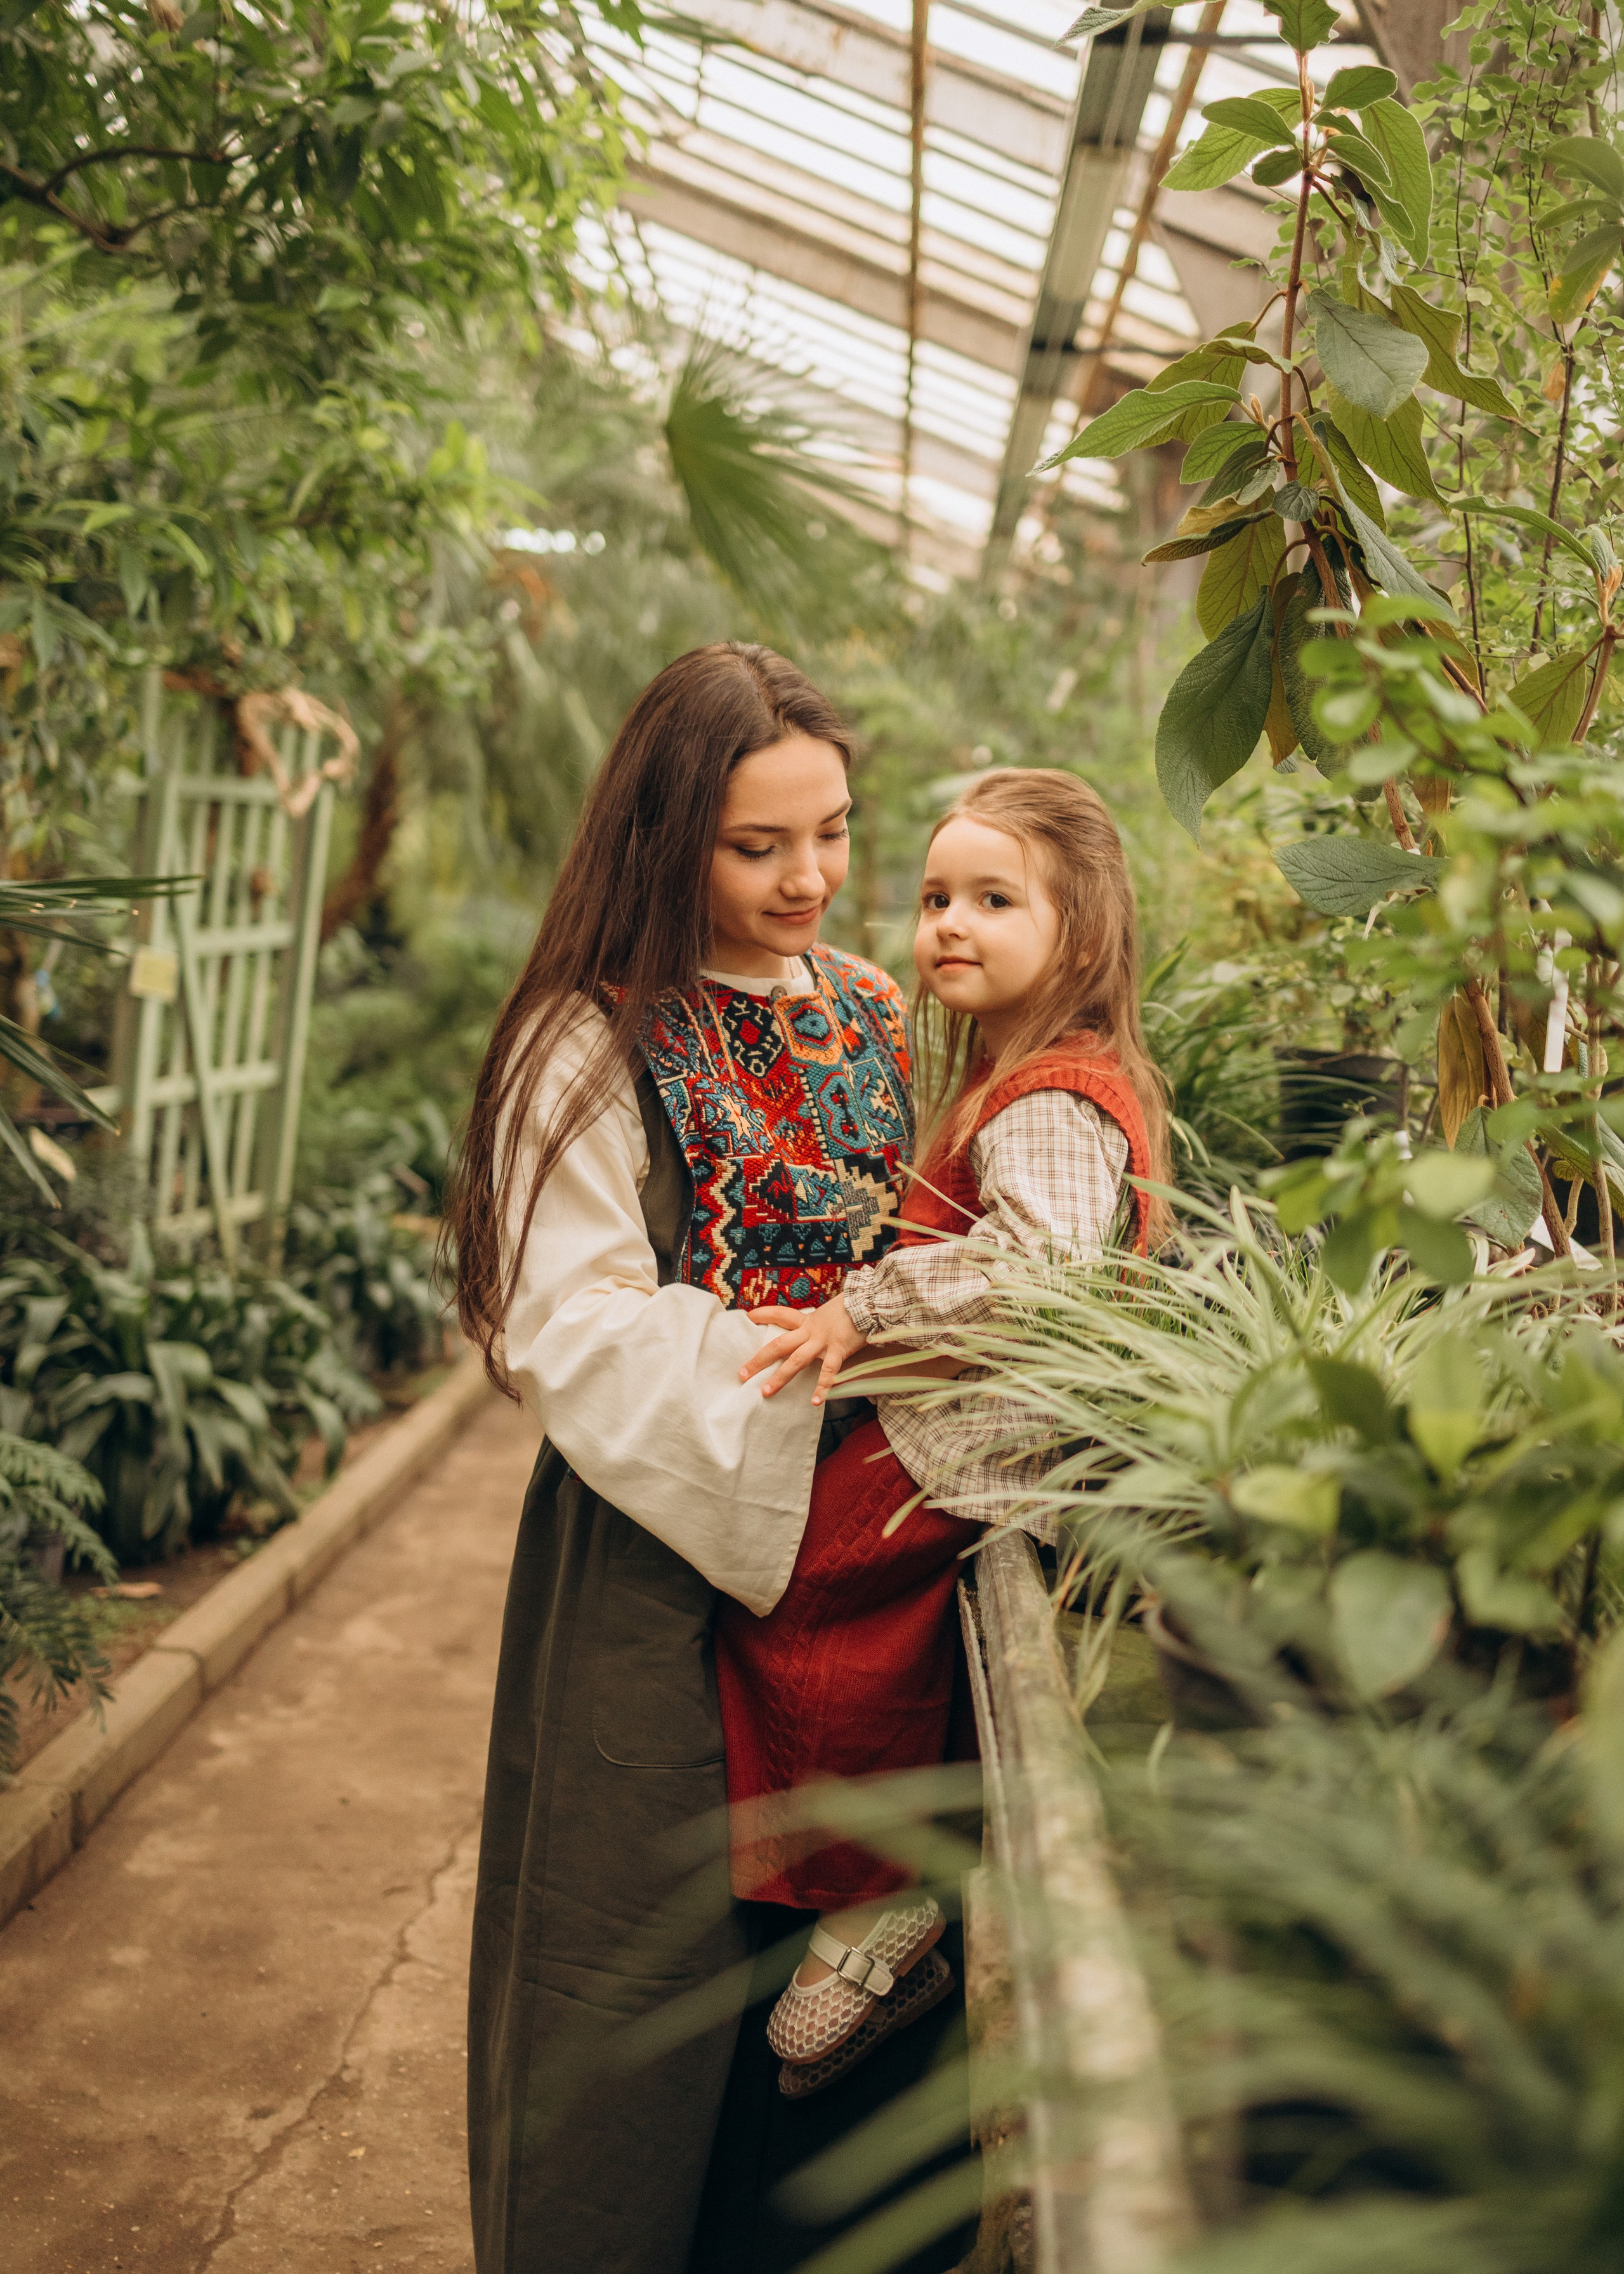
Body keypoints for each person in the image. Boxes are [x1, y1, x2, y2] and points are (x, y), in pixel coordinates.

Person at [445, 643, 916, 2274]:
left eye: (832, 833)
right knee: (637, 1972)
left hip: (880, 1564)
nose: (808, 879)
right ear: (666, 839)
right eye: (756, 845)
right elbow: (566, 1324)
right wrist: (830, 1407)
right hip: (659, 1557)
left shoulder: (872, 1008)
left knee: (852, 1985)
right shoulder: (588, 1042)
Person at [716, 768, 1171, 2089]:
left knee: (799, 1591)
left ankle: (880, 1896)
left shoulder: (1048, 1097)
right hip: (968, 1428)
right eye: (930, 899)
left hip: (981, 1441)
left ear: (1075, 937)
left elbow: (1040, 1266)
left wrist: (865, 1304)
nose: (946, 926)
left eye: (990, 898)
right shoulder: (1005, 1076)